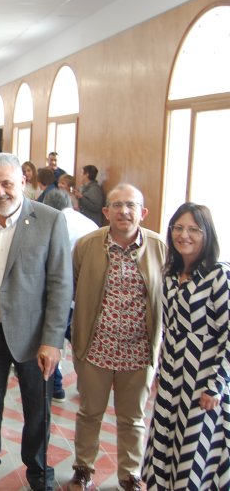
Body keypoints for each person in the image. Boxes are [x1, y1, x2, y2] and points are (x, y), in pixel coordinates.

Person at [0, 153, 71, 491]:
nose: (0, 192)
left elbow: (61, 284)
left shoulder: (49, 220)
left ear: (22, 181)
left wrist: (52, 341)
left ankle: (38, 473)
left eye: (7, 183)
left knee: (37, 409)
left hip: (34, 336)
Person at [66, 184, 166, 491]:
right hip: (96, 347)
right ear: (106, 211)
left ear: (142, 212)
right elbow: (71, 287)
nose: (124, 211)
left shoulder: (160, 247)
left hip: (139, 351)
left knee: (133, 417)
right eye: (117, 205)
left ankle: (130, 473)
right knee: (89, 413)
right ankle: (83, 468)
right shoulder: (86, 245)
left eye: (131, 205)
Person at [142, 203, 230, 490]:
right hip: (172, 377)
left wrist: (216, 385)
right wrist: (160, 371)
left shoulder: (219, 275)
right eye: (178, 228)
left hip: (202, 380)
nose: (184, 235)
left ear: (207, 233)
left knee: (192, 451)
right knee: (165, 443)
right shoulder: (171, 273)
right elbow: (169, 327)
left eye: (193, 229)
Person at [40, 189, 98, 401]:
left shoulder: (55, 221)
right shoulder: (88, 222)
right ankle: (90, 385)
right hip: (91, 293)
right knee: (82, 341)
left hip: (66, 293)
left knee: (51, 337)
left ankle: (56, 387)